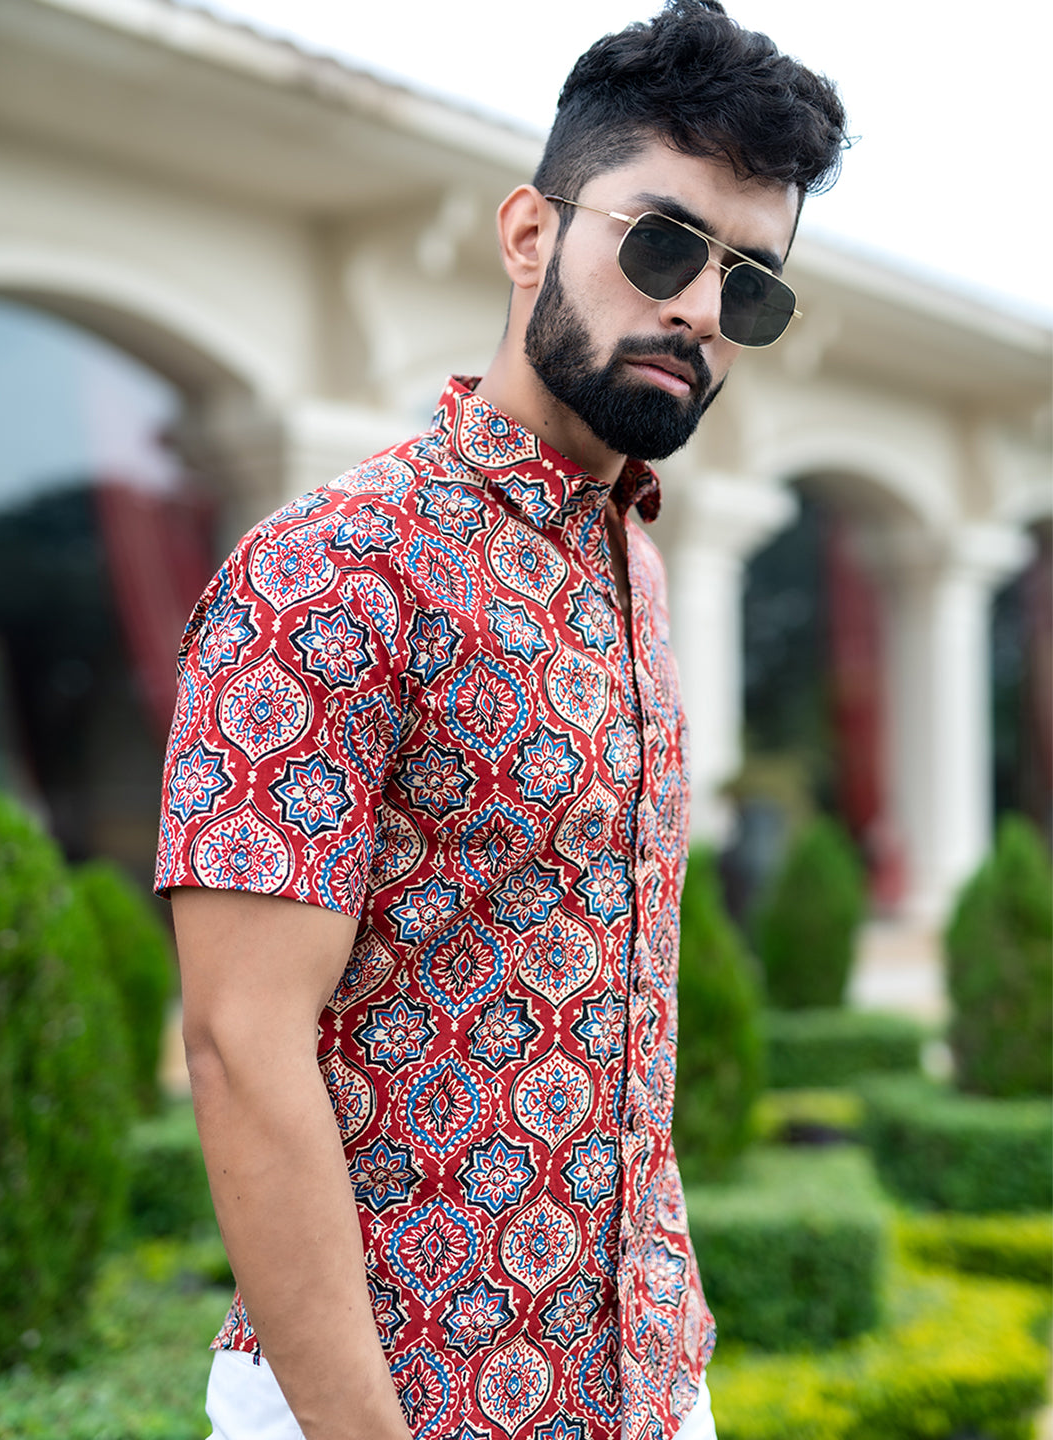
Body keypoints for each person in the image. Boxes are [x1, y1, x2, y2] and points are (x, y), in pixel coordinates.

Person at [156, 3, 846, 1436]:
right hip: (388, 1397)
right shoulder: (332, 566)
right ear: (530, 235)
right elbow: (239, 1042)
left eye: (753, 288)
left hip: (648, 1378)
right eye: (661, 246)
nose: (702, 312)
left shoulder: (634, 569)